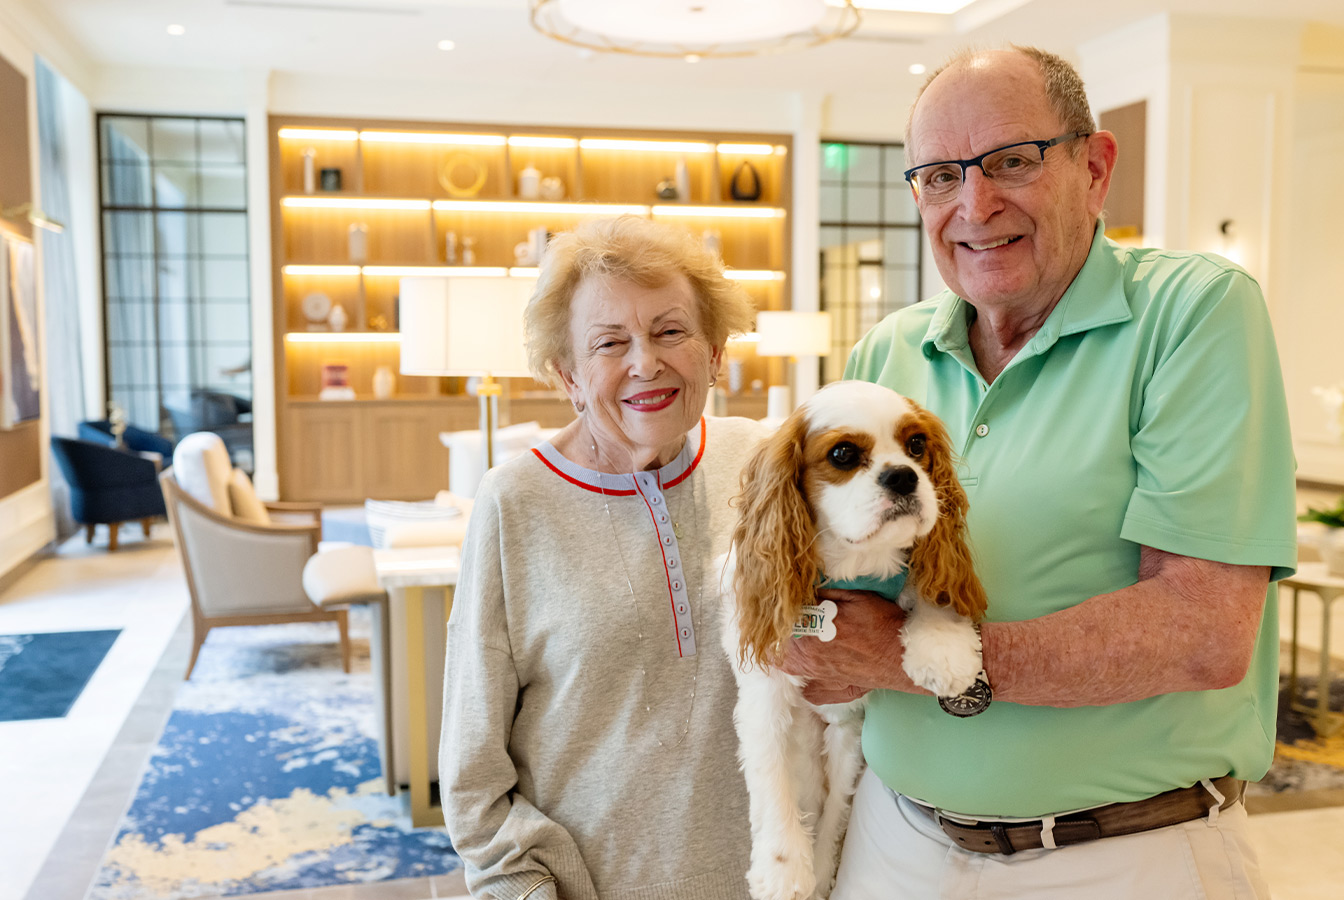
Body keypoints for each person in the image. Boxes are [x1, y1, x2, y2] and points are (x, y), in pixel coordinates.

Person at [782, 46, 1297, 898]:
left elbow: (1204, 632)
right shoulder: (886, 352)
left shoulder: (1194, 314)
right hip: (894, 842)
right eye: (940, 176)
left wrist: (917, 660)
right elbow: (823, 596)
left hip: (1127, 854)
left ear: (1095, 167)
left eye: (1012, 162)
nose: (975, 206)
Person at [439, 215, 768, 900]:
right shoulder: (514, 503)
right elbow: (471, 768)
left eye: (670, 331)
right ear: (569, 377)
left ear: (715, 351)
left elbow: (825, 642)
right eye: (609, 343)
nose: (645, 362)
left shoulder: (765, 464)